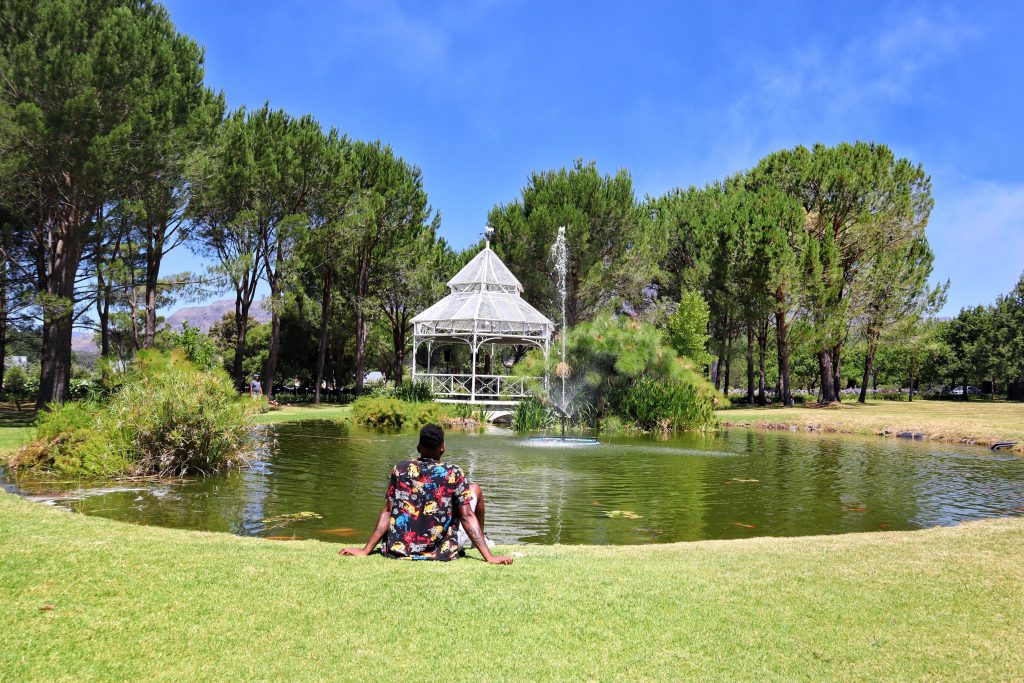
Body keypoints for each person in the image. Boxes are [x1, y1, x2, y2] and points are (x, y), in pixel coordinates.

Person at [339, 424, 512, 564]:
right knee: (475, 489)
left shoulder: (400, 469)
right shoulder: (453, 472)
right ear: (442, 448)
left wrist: (365, 550)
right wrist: (489, 557)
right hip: (441, 550)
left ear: (418, 447)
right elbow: (466, 517)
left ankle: (479, 541)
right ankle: (480, 542)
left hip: (401, 548)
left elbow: (387, 512)